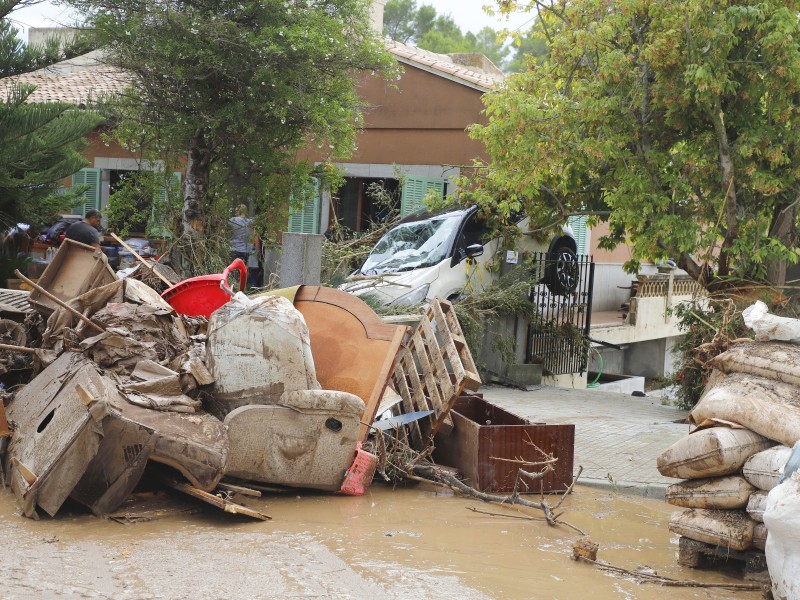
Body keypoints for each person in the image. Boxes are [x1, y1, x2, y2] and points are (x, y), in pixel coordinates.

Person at [229, 204, 260, 287]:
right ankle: (242, 288)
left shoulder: (232, 220)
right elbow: (255, 236)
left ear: (239, 211)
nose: (235, 212)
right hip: (245, 251)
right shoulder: (250, 222)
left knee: (233, 272)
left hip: (233, 249)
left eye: (236, 210)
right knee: (243, 271)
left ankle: (233, 287)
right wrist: (257, 251)